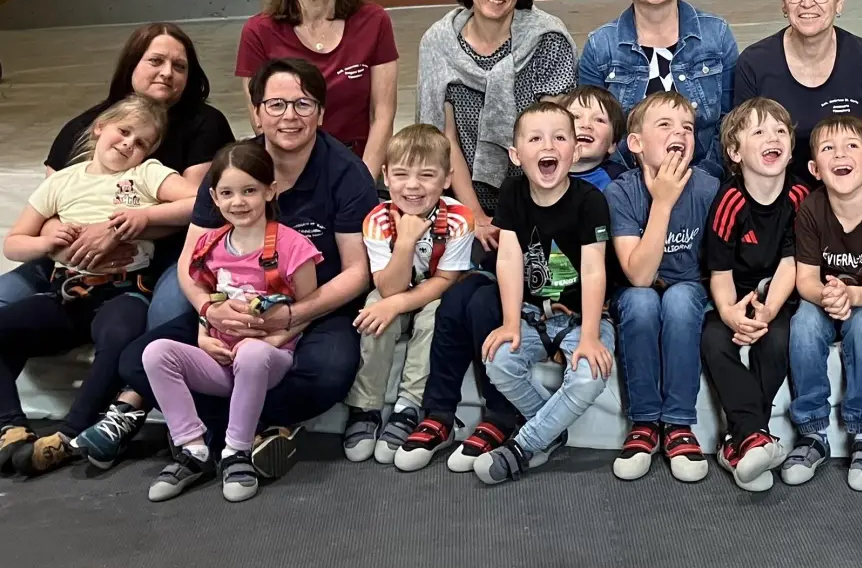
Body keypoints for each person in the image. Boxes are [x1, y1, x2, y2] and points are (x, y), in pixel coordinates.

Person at [117, 59, 378, 480]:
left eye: (303, 104)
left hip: (316, 308)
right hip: (231, 305)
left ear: (322, 113)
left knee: (328, 375)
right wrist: (207, 311)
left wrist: (292, 316)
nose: (289, 116)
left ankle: (219, 432)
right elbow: (190, 259)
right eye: (275, 104)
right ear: (256, 112)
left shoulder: (346, 173)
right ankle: (253, 432)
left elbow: (355, 272)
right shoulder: (233, 167)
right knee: (134, 359)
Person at [0, 94, 197, 476]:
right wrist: (46, 242)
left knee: (120, 337)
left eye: (141, 142)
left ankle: (70, 436)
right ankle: (9, 425)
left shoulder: (146, 174)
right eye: (123, 132)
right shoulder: (62, 181)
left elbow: (198, 200)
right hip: (65, 289)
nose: (128, 144)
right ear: (99, 128)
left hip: (122, 289)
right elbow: (14, 243)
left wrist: (142, 217)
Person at [0, 23, 234, 330]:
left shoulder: (204, 123)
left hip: (167, 252)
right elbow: (46, 206)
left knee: (165, 318)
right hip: (69, 255)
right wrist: (68, 243)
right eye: (155, 61)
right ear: (131, 64)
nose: (167, 73)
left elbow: (203, 206)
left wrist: (118, 230)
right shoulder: (83, 127)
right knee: (4, 301)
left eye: (179, 66)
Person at [143, 141, 321, 503]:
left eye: (249, 191)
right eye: (227, 193)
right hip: (220, 358)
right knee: (156, 352)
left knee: (252, 355)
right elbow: (206, 299)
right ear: (214, 197)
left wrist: (273, 341)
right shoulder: (209, 245)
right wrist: (202, 335)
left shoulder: (293, 246)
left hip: (268, 359)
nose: (238, 202)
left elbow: (309, 308)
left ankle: (236, 451)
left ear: (270, 191)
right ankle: (192, 449)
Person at [472, 102, 616, 486]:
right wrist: (508, 323)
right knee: (499, 361)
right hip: (535, 315)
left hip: (585, 317)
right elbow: (508, 260)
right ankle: (551, 432)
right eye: (535, 139)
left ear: (575, 149)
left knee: (589, 375)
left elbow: (593, 269)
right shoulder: (513, 193)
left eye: (559, 137)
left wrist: (588, 336)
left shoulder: (591, 201)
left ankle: (524, 445)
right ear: (517, 156)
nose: (547, 145)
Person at [417, 0, 577, 249]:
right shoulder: (438, 43)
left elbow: (550, 140)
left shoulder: (547, 39)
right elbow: (444, 139)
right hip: (461, 199)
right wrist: (475, 216)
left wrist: (519, 217)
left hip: (538, 197)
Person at [780, 115, 862, 492]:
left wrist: (851, 296)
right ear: (815, 168)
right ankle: (812, 432)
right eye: (829, 148)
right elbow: (805, 281)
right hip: (825, 296)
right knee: (803, 323)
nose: (841, 154)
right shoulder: (811, 210)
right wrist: (828, 296)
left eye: (852, 146)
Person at [341, 125, 473, 465]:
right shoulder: (377, 220)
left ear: (446, 178)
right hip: (394, 287)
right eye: (400, 174)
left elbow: (445, 280)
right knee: (373, 308)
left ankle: (408, 406)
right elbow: (387, 288)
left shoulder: (459, 218)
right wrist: (405, 241)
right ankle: (366, 406)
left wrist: (398, 302)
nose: (412, 186)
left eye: (427, 175)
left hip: (434, 292)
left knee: (435, 316)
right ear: (385, 176)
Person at [607, 90, 720, 482]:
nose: (681, 133)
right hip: (638, 291)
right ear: (636, 143)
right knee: (640, 301)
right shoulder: (621, 192)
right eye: (666, 125)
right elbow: (638, 274)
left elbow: (716, 267)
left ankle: (677, 424)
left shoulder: (708, 189)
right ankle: (643, 423)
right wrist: (663, 203)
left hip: (689, 292)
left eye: (688, 127)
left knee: (680, 297)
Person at [699, 98, 810, 491]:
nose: (772, 138)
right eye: (759, 131)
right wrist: (731, 313)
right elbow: (720, 270)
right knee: (714, 339)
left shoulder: (799, 196)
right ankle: (756, 438)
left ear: (791, 148)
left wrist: (765, 313)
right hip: (734, 294)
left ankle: (740, 441)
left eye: (780, 131)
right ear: (734, 151)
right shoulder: (730, 200)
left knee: (777, 338)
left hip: (777, 294)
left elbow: (790, 263)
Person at [237, 0, 399, 179]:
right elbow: (262, 123)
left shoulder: (374, 21)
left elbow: (382, 115)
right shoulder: (258, 33)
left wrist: (362, 182)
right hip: (291, 173)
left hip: (358, 165)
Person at [579, 0, 740, 177]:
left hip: (706, 180)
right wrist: (628, 186)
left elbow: (731, 119)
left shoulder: (716, 35)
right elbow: (594, 129)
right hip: (625, 185)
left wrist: (704, 180)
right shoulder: (600, 46)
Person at [733, 0, 862, 186]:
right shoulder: (753, 63)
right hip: (780, 200)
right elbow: (746, 152)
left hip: (855, 194)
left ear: (839, 2)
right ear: (784, 3)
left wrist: (844, 203)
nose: (807, 3)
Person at [556, 85, 627, 191]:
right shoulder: (541, 172)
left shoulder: (621, 182)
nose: (586, 125)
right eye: (575, 117)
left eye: (599, 120)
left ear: (612, 144)